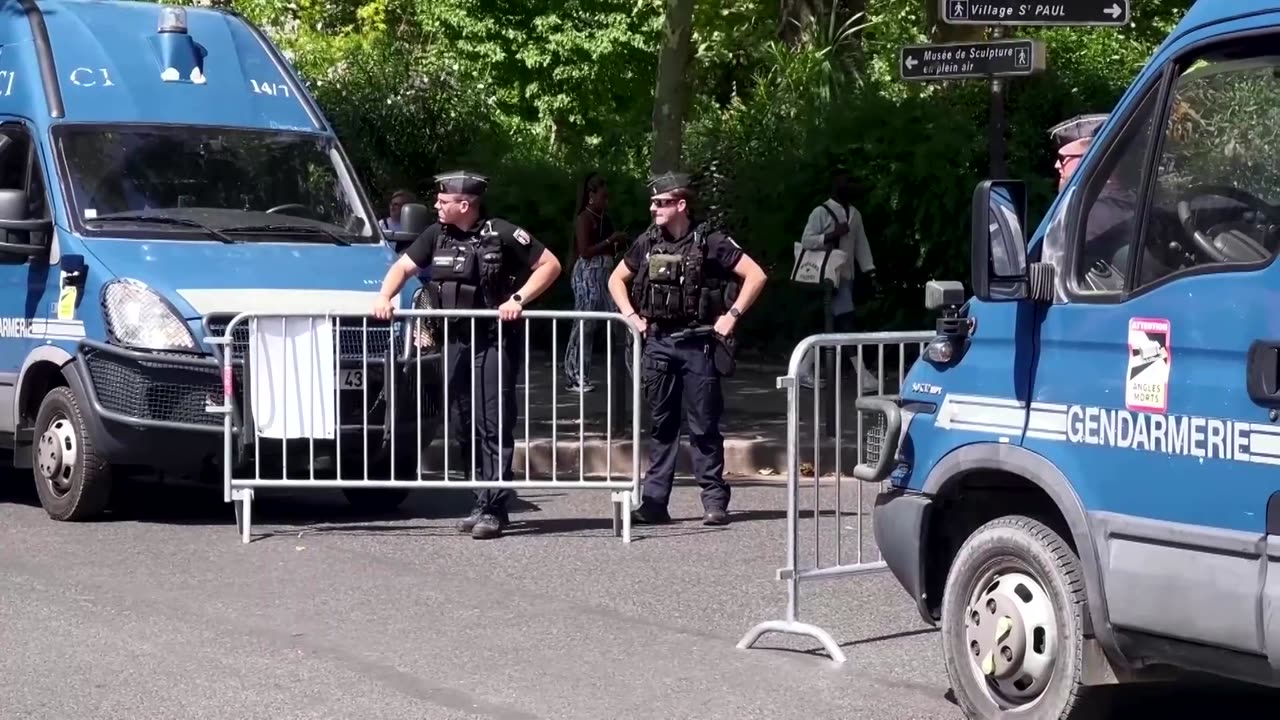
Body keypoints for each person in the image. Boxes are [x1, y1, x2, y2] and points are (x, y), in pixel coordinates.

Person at [372, 170, 562, 539]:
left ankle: (495, 506)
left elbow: (550, 265)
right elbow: (403, 267)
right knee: (462, 423)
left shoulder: (502, 233)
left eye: (443, 202)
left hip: (493, 340)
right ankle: (480, 498)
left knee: (492, 421)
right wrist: (384, 296)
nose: (436, 206)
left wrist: (518, 299)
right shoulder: (435, 236)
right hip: (454, 340)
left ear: (466, 204)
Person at [607, 171, 767, 526]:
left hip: (699, 344)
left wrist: (733, 315)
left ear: (681, 205)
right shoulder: (648, 242)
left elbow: (756, 275)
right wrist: (632, 315)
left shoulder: (711, 240)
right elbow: (616, 278)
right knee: (662, 426)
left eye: (661, 203)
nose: (654, 208)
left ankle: (714, 500)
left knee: (703, 425)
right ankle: (654, 503)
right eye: (652, 202)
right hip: (660, 344)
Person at [796, 168, 879, 392]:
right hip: (826, 278)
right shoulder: (821, 212)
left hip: (846, 277)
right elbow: (807, 240)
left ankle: (805, 368)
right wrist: (833, 235)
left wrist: (869, 270)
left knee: (831, 325)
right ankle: (862, 375)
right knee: (846, 321)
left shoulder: (855, 214)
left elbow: (861, 244)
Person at [563, 171, 628, 392]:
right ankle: (575, 375)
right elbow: (585, 251)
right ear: (591, 195)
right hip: (587, 274)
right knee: (585, 323)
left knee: (621, 318)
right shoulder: (584, 218)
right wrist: (611, 240)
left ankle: (634, 370)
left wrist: (616, 244)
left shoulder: (605, 219)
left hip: (605, 274)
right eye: (603, 196)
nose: (606, 201)